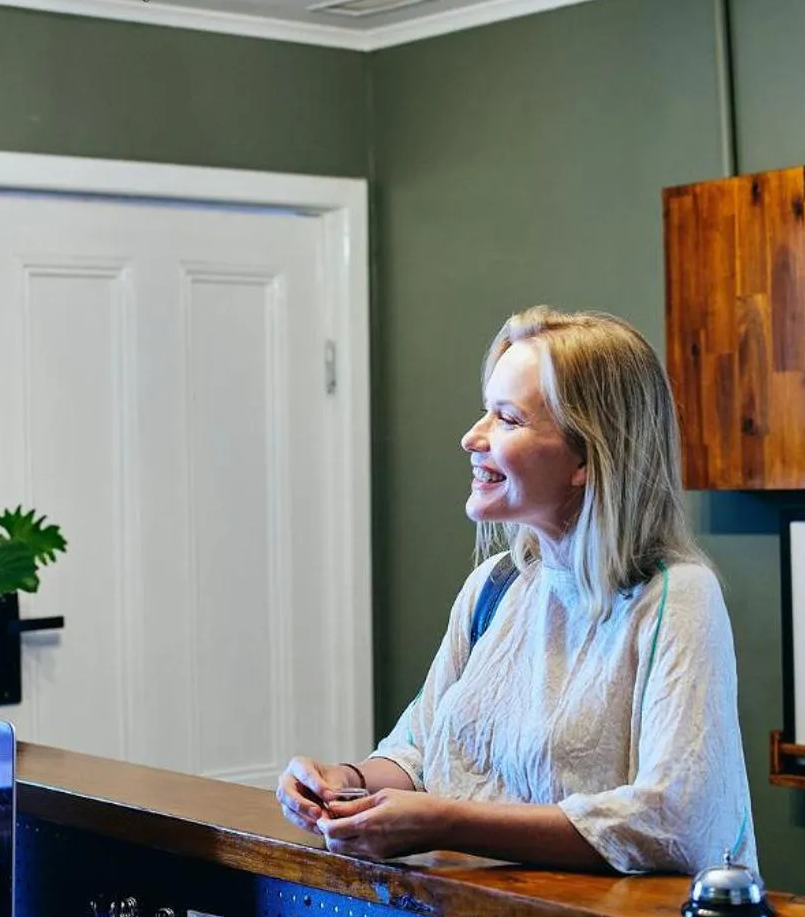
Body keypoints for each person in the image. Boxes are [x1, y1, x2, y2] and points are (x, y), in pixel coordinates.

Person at [276, 306, 754, 875]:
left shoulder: (676, 598)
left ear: (585, 456)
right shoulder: (494, 587)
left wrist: (445, 822)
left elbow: (675, 820)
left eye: (507, 418)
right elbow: (418, 752)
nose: (471, 438)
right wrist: (343, 782)